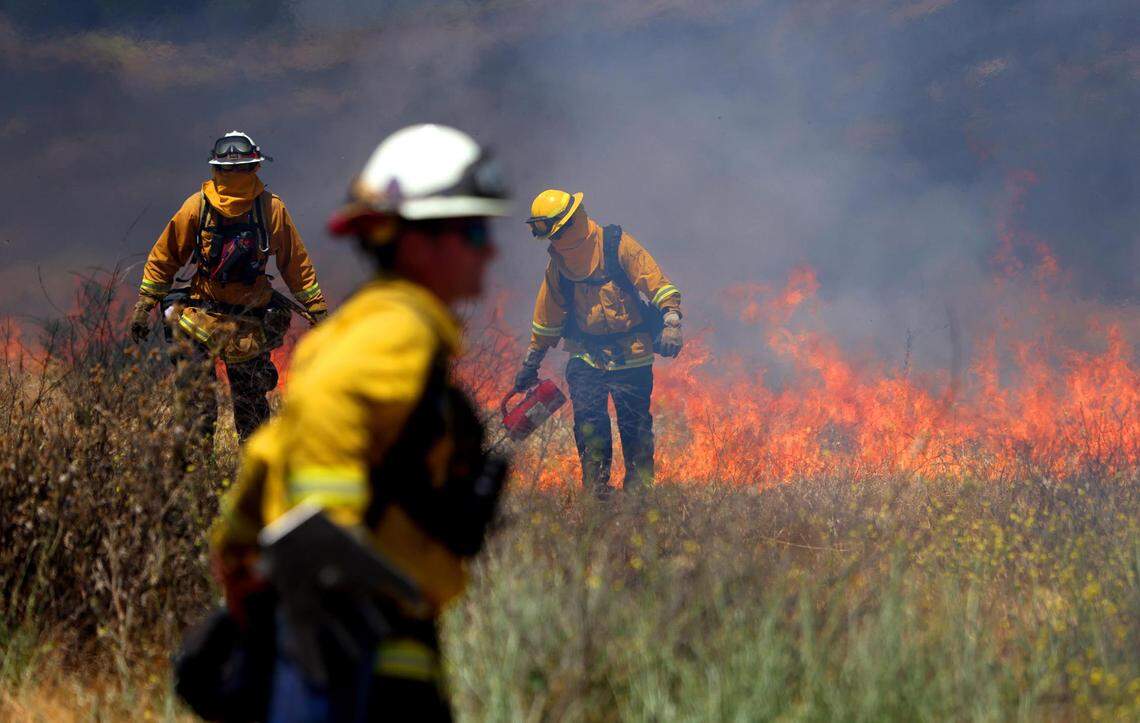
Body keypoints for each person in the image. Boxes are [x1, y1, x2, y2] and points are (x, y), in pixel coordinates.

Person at [208, 124, 511, 721]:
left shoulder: (357, 331)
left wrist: (241, 549)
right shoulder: (394, 335)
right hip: (356, 657)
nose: (489, 249)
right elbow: (319, 459)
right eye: (473, 231)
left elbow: (267, 458)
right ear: (417, 243)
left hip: (346, 648)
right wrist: (331, 561)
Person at [130, 131, 328, 441]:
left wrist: (317, 309)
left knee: (237, 413)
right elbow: (166, 257)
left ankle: (219, 474)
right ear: (257, 166)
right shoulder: (216, 208)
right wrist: (144, 303)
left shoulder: (260, 209)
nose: (235, 175)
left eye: (240, 169)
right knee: (219, 411)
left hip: (241, 323)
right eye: (230, 170)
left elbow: (296, 263)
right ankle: (217, 477)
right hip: (209, 319)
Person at [514, 190, 683, 498]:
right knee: (589, 425)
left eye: (552, 231)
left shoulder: (615, 245)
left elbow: (656, 283)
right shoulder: (558, 267)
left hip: (632, 354)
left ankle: (639, 495)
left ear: (568, 225)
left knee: (635, 428)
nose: (551, 241)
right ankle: (597, 495)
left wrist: (672, 321)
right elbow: (547, 319)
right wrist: (531, 363)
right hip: (586, 357)